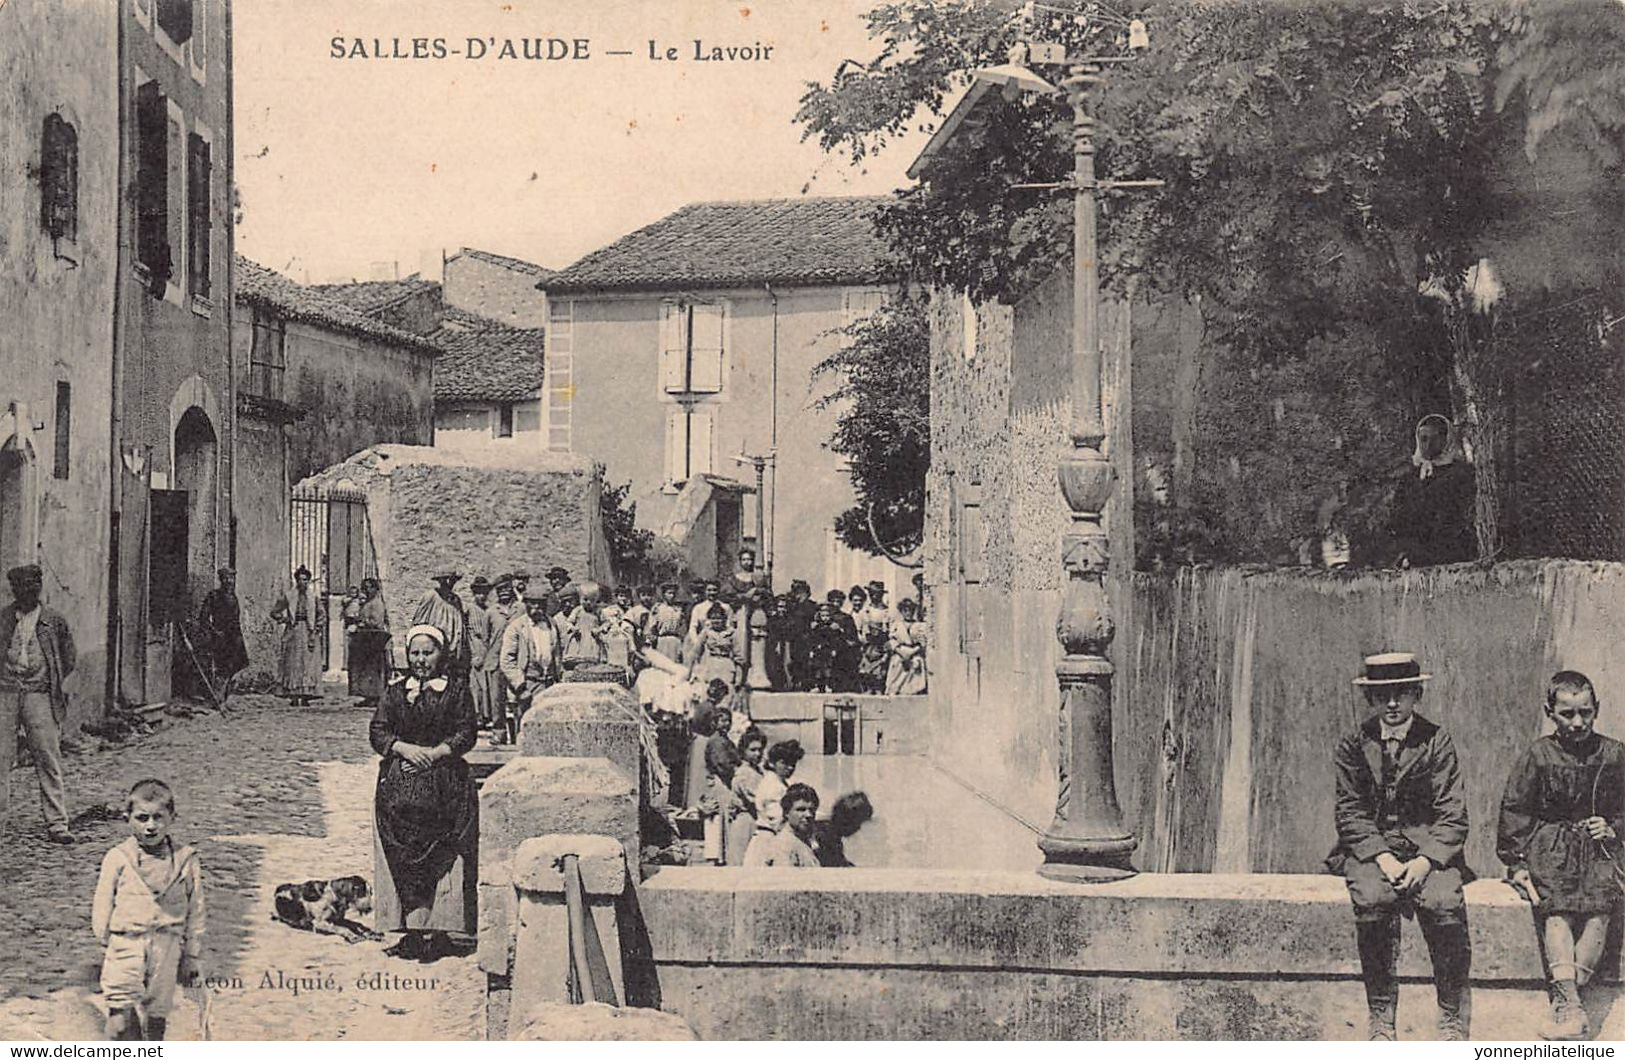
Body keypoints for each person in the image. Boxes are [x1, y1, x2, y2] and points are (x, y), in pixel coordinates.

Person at [1328, 652, 1471, 1041]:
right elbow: (1350, 811)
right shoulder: (1354, 744)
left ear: (1417, 694)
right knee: (1372, 900)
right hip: (1374, 850)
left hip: (1427, 846)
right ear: (1370, 700)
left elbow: (1453, 812)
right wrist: (1384, 857)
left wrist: (1426, 862)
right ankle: (1380, 1014)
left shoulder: (1436, 740)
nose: (1392, 704)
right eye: (1382, 696)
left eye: (1402, 693)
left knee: (1444, 902)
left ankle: (1450, 1014)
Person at [1498, 670, 1625, 1040]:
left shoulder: (1615, 754)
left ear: (1596, 709)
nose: (1578, 722)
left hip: (1599, 848)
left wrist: (1615, 827)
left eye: (1585, 712)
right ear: (1549, 712)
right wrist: (1517, 862)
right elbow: (1515, 811)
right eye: (1567, 714)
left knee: (1600, 912)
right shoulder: (1537, 756)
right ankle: (1573, 1007)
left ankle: (1568, 1003)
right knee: (1558, 914)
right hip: (1551, 846)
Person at [370, 624, 479, 961]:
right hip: (400, 783)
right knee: (400, 851)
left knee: (445, 853)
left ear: (440, 655)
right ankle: (411, 930)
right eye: (415, 653)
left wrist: (435, 754)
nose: (420, 660)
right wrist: (401, 749)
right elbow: (378, 731)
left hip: (445, 782)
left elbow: (466, 732)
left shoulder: (456, 691)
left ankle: (442, 930)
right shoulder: (394, 691)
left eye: (427, 653)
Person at [92, 779, 204, 1041]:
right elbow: (103, 902)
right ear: (127, 818)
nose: (151, 826)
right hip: (126, 942)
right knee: (119, 1016)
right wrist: (107, 939)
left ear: (172, 818)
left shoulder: (186, 860)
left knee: (157, 1018)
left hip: (166, 945)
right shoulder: (118, 857)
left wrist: (191, 955)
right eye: (142, 818)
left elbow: (196, 909)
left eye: (158, 818)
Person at [0, 563, 76, 843]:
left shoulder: (53, 621)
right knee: (1, 759)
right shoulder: (4, 618)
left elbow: (69, 659)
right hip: (5, 694)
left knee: (47, 757)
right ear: (14, 590)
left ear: (39, 588)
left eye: (32, 586)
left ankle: (57, 823)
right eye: (20, 587)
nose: (26, 592)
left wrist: (47, 682)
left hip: (39, 695)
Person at [1387, 414, 1476, 568]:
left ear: (1446, 439)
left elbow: (1459, 517)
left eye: (1434, 439)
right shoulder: (1410, 478)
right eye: (1424, 439)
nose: (1428, 445)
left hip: (1452, 554)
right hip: (1415, 554)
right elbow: (1398, 518)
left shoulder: (1461, 474)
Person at [499, 591, 560, 738]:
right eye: (532, 603)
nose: (537, 607)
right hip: (528, 683)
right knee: (526, 727)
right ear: (526, 604)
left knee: (548, 726)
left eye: (540, 603)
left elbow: (557, 653)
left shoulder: (552, 624)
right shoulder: (516, 627)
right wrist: (520, 688)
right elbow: (507, 661)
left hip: (549, 683)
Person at [270, 565, 324, 705]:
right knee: (293, 663)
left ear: (309, 581)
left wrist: (316, 629)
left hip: (309, 631)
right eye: (300, 580)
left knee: (308, 663)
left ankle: (306, 696)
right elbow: (275, 611)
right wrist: (284, 619)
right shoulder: (289, 596)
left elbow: (321, 615)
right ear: (296, 581)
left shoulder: (314, 597)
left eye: (305, 580)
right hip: (293, 631)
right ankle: (293, 696)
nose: (302, 583)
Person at [195, 568, 248, 698]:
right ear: (221, 580)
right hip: (221, 636)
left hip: (234, 636)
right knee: (222, 666)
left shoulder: (233, 596)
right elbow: (203, 617)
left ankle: (225, 696)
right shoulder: (213, 595)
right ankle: (217, 697)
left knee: (237, 664)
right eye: (225, 578)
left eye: (231, 578)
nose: (229, 581)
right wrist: (214, 631)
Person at [743, 783, 821, 868]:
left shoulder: (801, 841)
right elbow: (784, 879)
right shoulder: (783, 846)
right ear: (786, 813)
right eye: (801, 810)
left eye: (812, 810)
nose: (808, 815)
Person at [700, 706, 740, 864]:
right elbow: (722, 764)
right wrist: (737, 772)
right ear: (715, 722)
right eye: (723, 720)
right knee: (719, 816)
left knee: (724, 817)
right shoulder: (716, 741)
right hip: (720, 782)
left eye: (728, 721)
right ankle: (718, 856)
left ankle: (723, 854)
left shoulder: (725, 740)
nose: (726, 724)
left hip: (723, 781)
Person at [411, 572, 470, 677]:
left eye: (453, 580)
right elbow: (419, 620)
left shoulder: (455, 599)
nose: (451, 583)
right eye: (448, 580)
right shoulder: (431, 596)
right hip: (436, 646)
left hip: (452, 649)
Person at [345, 577, 391, 709]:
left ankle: (375, 695)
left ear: (375, 589)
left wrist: (361, 624)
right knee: (366, 669)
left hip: (373, 640)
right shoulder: (366, 603)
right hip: (366, 640)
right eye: (364, 587)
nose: (366, 590)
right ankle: (368, 695)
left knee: (373, 668)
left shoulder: (376, 604)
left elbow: (377, 622)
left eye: (369, 587)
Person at [726, 727, 769, 865]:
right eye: (753, 750)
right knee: (741, 861)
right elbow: (756, 799)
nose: (758, 753)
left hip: (754, 819)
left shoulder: (757, 771)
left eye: (760, 750)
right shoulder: (744, 773)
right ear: (743, 751)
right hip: (745, 821)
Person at [465, 577, 500, 730]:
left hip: (488, 648)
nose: (482, 596)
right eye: (478, 593)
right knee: (476, 685)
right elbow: (466, 633)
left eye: (484, 593)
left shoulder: (489, 610)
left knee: (488, 684)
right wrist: (472, 654)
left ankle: (488, 715)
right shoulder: (469, 610)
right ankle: (477, 716)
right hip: (475, 646)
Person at [754, 738, 805, 836]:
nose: (790, 767)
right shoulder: (771, 785)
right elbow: (776, 819)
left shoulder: (782, 782)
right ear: (772, 763)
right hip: (770, 835)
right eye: (784, 763)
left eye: (793, 763)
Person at [814, 791, 875, 867]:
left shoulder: (830, 833)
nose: (858, 828)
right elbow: (831, 863)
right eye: (857, 824)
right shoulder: (825, 836)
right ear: (847, 821)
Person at [688, 604, 739, 689]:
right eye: (713, 618)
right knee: (710, 691)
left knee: (727, 691)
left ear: (724, 619)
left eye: (719, 618)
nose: (716, 621)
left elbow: (738, 656)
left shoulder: (732, 633)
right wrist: (691, 672)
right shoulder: (706, 632)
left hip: (726, 665)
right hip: (711, 665)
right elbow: (695, 652)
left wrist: (738, 677)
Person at [886, 598, 929, 695]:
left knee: (913, 684)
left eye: (910, 610)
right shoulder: (896, 625)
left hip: (914, 654)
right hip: (900, 655)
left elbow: (922, 642)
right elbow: (892, 640)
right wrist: (901, 652)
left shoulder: (920, 625)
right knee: (896, 684)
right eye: (905, 610)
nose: (908, 613)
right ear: (901, 611)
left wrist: (912, 653)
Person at [858, 581, 894, 694]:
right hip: (868, 647)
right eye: (871, 593)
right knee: (867, 673)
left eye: (877, 593)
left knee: (880, 673)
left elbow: (892, 631)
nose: (874, 596)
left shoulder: (887, 612)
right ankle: (868, 689)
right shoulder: (865, 611)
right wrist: (864, 640)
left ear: (882, 594)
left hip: (881, 646)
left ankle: (879, 690)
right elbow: (859, 630)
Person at [785, 580, 816, 690]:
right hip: (796, 639)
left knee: (807, 662)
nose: (798, 596)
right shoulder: (793, 607)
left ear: (807, 593)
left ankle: (807, 684)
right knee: (795, 661)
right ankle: (796, 682)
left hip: (808, 639)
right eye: (796, 593)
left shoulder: (812, 606)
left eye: (801, 593)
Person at [648, 583, 687, 662]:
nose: (672, 596)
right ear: (664, 594)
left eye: (673, 593)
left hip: (675, 640)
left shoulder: (678, 609)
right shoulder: (658, 608)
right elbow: (652, 626)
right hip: (662, 640)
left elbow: (682, 626)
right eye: (669, 593)